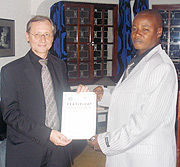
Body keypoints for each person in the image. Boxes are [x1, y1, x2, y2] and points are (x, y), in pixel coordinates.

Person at [88, 9, 178, 167]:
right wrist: (106, 96)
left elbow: (145, 121)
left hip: (145, 157)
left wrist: (105, 142)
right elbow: (135, 97)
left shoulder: (161, 67)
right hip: (129, 153)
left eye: (145, 29)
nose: (137, 34)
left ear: (158, 32)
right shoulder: (138, 60)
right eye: (134, 28)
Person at [1, 15, 88, 167]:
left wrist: (78, 96)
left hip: (60, 147)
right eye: (37, 34)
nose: (42, 39)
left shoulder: (60, 65)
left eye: (47, 34)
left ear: (53, 38)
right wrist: (47, 134)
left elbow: (60, 99)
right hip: (27, 149)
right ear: (28, 37)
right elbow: (10, 114)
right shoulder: (10, 71)